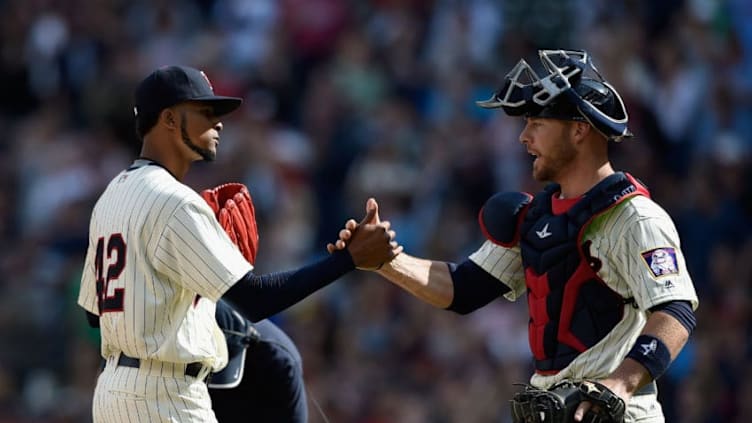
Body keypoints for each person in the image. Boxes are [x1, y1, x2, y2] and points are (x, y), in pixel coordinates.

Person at [329, 50, 698, 422]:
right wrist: (387, 260)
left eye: (537, 122)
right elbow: (464, 288)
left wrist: (619, 384)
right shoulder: (538, 217)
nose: (524, 137)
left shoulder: (634, 217)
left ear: (579, 128)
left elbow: (675, 310)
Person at [77, 65, 400, 422]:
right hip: (167, 398)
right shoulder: (176, 201)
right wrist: (349, 259)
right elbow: (254, 300)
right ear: (168, 119)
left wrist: (184, 289)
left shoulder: (112, 196)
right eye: (204, 113)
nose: (218, 123)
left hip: (113, 394)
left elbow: (95, 315)